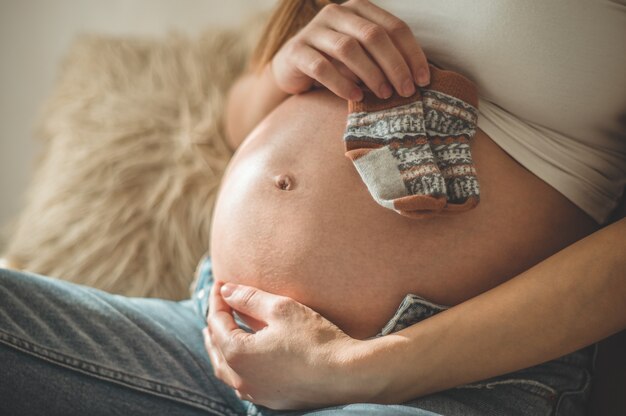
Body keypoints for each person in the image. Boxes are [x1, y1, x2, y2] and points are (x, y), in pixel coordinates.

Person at [1, 0, 624, 415]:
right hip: (215, 335)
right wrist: (288, 64)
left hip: (440, 379)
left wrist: (357, 369)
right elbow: (238, 121)